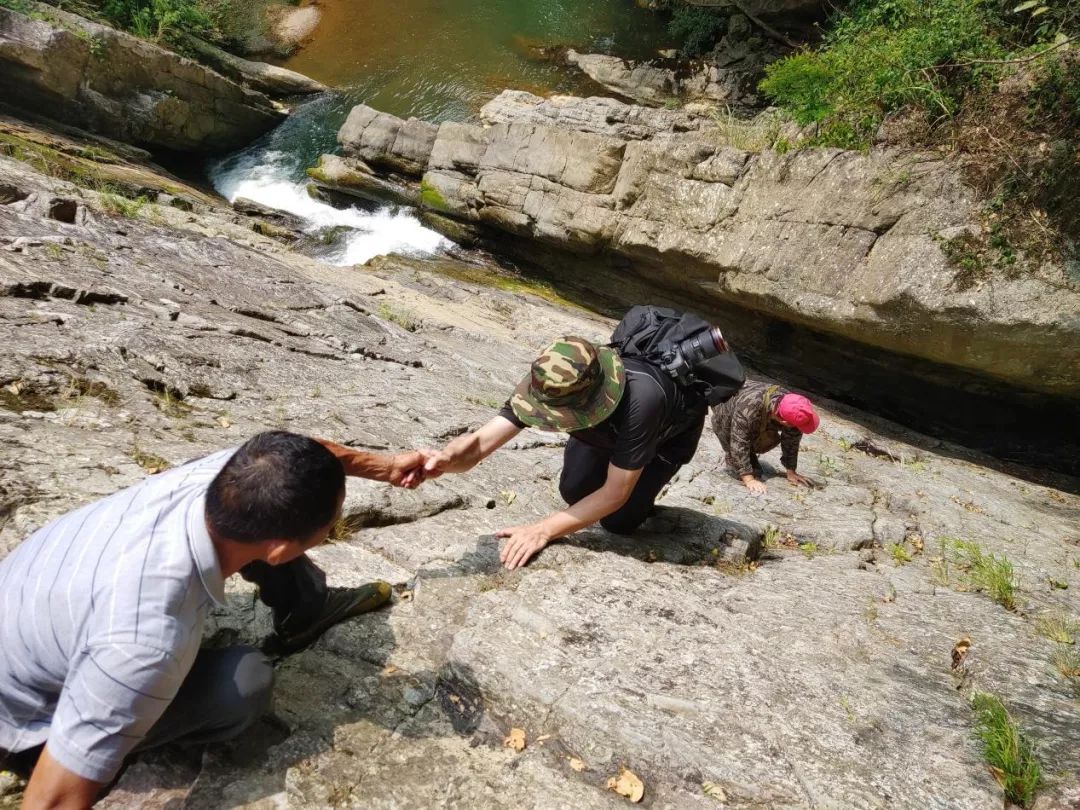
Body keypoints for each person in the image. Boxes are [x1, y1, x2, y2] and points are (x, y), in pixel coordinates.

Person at [0, 431, 422, 808]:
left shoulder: (226, 475)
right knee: (243, 684)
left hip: (35, 614)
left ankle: (303, 612)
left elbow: (305, 455)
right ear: (278, 552)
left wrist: (385, 467)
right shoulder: (145, 643)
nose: (333, 526)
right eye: (329, 525)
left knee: (268, 515)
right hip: (22, 721)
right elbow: (51, 800)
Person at [415, 336, 709, 570]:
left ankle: (641, 478)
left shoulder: (644, 400)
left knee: (617, 521)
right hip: (605, 429)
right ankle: (617, 460)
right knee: (574, 493)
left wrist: (544, 530)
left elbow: (615, 493)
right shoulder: (549, 378)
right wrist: (446, 459)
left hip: (665, 436)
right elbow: (480, 443)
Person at [710, 381, 819, 496]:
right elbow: (739, 441)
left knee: (755, 465)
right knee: (751, 472)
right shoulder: (748, 407)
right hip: (726, 419)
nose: (798, 429)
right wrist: (749, 479)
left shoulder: (792, 404)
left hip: (757, 416)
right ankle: (731, 456)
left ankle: (748, 456)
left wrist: (791, 471)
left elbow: (792, 439)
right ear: (783, 421)